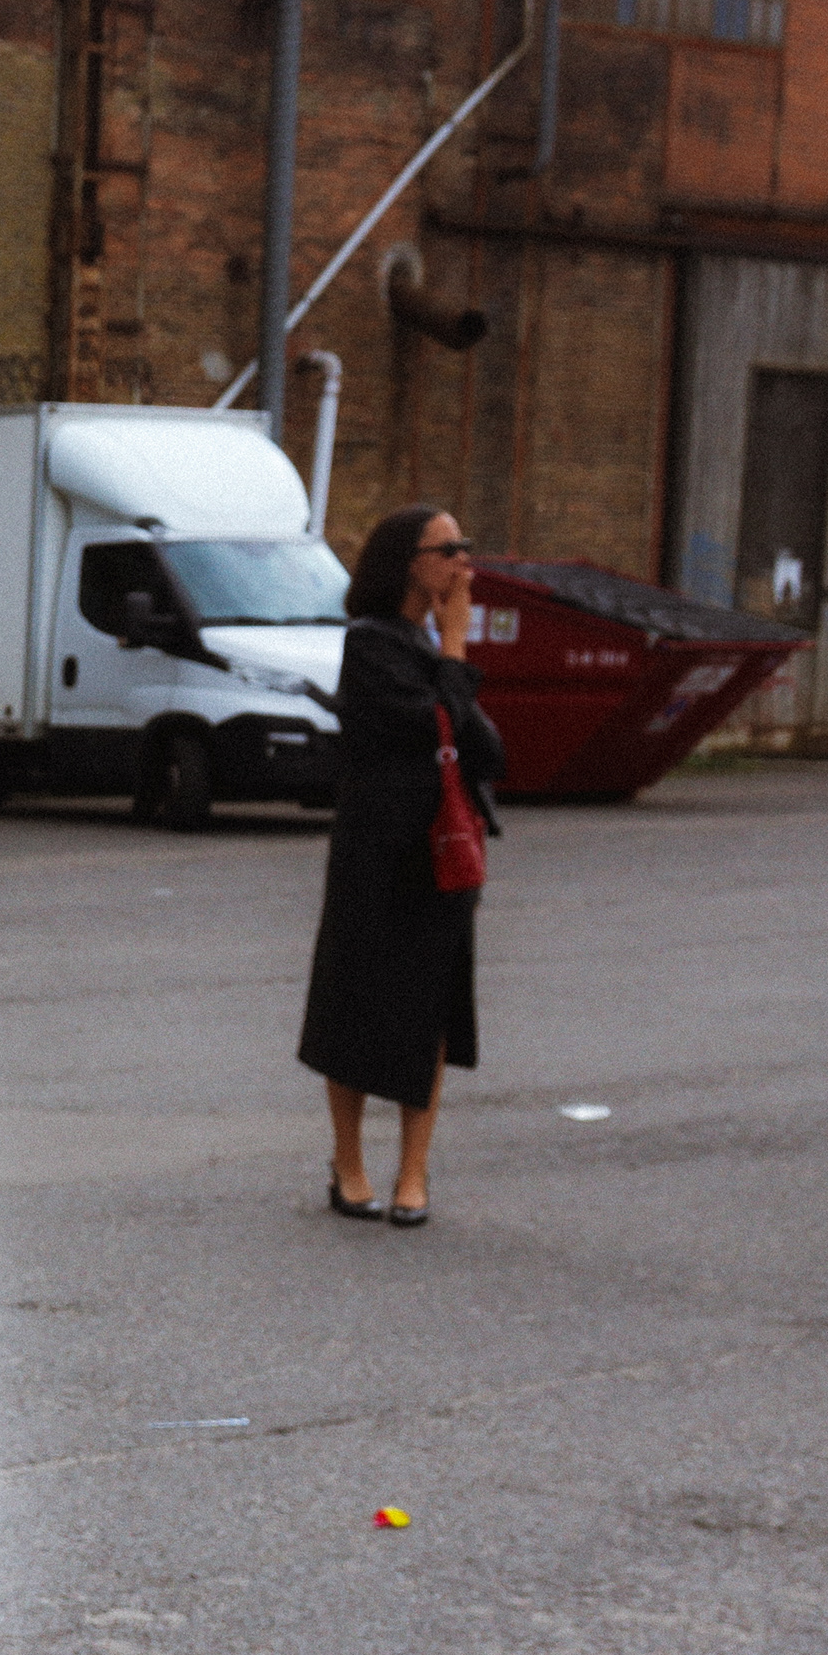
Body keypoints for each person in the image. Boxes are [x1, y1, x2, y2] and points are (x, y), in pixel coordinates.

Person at [302, 503, 501, 1227]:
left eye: (466, 546)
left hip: (439, 855)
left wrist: (450, 657)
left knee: (429, 1009)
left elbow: (486, 748)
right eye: (450, 549)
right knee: (353, 1004)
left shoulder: (427, 648)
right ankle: (348, 1163)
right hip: (375, 853)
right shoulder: (371, 645)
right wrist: (456, 647)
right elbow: (430, 723)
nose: (465, 562)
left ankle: (413, 1172)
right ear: (409, 563)